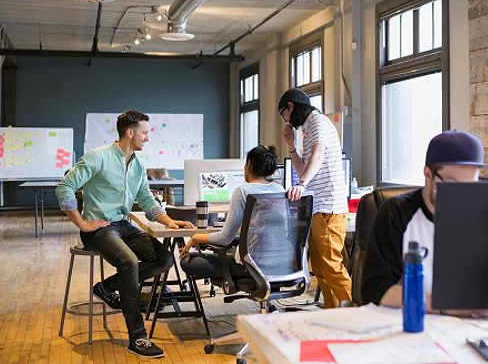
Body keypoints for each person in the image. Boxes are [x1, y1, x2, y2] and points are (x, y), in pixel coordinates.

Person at [56, 110, 194, 358]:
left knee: (164, 259)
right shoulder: (97, 157)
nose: (147, 138)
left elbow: (147, 201)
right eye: (145, 132)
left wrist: (169, 220)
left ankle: (107, 287)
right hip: (99, 228)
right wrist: (82, 224)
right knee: (129, 263)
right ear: (130, 132)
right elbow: (65, 187)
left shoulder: (138, 165)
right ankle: (138, 338)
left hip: (124, 225)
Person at [360, 130, 488, 310]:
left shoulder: (480, 217)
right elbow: (374, 289)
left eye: (469, 185)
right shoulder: (397, 213)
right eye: (451, 184)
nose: (460, 195)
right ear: (428, 174)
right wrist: (446, 306)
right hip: (410, 324)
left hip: (467, 327)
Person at [278, 89, 351, 308]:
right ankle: (333, 312)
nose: (287, 121)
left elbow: (318, 156)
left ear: (291, 107)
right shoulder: (307, 130)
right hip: (318, 207)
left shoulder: (318, 121)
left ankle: (356, 315)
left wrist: (301, 185)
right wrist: (291, 145)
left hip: (329, 206)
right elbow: (303, 170)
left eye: (284, 115)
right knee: (320, 268)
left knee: (332, 266)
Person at [179, 145, 285, 275]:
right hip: (280, 264)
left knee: (186, 261)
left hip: (251, 267)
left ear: (249, 164)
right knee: (230, 249)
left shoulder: (243, 191)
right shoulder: (280, 189)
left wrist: (196, 238)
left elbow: (224, 238)